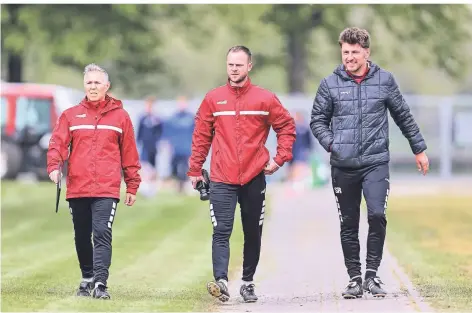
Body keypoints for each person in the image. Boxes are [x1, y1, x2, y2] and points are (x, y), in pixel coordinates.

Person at [310, 27, 429, 299]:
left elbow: (403, 116)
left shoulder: (385, 81)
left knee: (376, 215)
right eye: (345, 52)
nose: (349, 57)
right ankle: (354, 278)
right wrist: (332, 143)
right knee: (348, 223)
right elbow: (317, 120)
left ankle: (372, 276)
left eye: (354, 52)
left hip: (375, 162)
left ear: (366, 52)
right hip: (343, 166)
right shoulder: (330, 84)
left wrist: (419, 149)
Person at [187, 45, 296, 303]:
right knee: (221, 230)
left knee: (252, 232)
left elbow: (287, 127)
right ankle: (222, 282)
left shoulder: (264, 99)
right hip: (222, 178)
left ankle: (247, 282)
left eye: (239, 64)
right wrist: (195, 169)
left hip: (253, 177)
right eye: (230, 65)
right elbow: (201, 136)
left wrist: (279, 159)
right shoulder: (213, 99)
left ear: (249, 66)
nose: (234, 69)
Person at [47, 63, 141, 300]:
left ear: (107, 86)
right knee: (81, 234)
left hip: (106, 188)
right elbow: (57, 145)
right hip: (77, 186)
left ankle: (100, 283)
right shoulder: (70, 115)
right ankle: (87, 277)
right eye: (89, 82)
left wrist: (132, 185)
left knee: (101, 232)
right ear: (84, 85)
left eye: (97, 82)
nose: (93, 86)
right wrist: (54, 167)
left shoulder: (121, 117)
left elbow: (130, 153)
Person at [165, 96, 195, 193]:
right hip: (175, 148)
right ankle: (177, 182)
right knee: (174, 167)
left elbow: (196, 132)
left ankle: (182, 185)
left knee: (184, 167)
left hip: (187, 148)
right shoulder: (173, 118)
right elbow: (167, 132)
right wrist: (167, 143)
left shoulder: (191, 118)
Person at [136, 96, 163, 172]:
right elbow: (139, 132)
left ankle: (153, 179)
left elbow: (161, 132)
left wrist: (160, 142)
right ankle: (146, 179)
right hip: (144, 145)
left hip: (154, 145)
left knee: (153, 163)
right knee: (144, 163)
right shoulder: (142, 118)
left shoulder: (157, 118)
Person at [287, 110, 313, 182]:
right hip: (293, 151)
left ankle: (298, 181)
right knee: (292, 167)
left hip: (301, 151)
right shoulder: (291, 128)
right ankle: (293, 181)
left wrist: (308, 150)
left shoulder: (304, 128)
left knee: (300, 166)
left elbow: (309, 141)